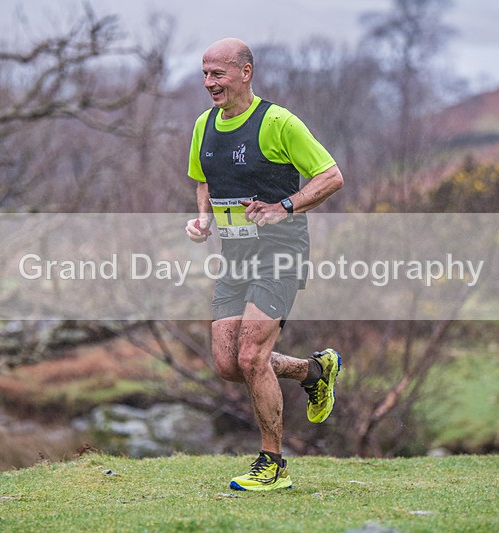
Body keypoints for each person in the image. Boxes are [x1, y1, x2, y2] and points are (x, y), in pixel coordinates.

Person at [185, 37, 344, 492]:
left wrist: (286, 207)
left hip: (280, 252)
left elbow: (332, 175)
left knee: (252, 355)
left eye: (217, 74)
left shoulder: (277, 122)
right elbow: (202, 179)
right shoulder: (204, 126)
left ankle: (272, 464)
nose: (209, 83)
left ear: (245, 72)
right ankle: (314, 371)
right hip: (234, 257)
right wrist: (202, 219)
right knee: (228, 364)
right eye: (204, 73)